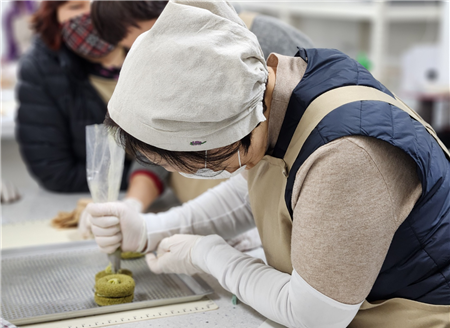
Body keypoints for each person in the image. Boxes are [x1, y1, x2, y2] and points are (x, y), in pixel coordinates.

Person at [86, 1, 450, 327]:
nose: (213, 172)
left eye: (207, 162)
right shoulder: (269, 97)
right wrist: (152, 229)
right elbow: (266, 188)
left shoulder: (347, 154)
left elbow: (314, 317)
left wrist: (210, 255)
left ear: (223, 131)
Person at [80, 0, 313, 227]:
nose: (147, 53)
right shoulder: (168, 62)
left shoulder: (264, 48)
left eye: (148, 36)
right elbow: (158, 139)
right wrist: (135, 206)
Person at [16, 1, 161, 215]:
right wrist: (143, 180)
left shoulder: (152, 51)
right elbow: (55, 171)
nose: (91, 14)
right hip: (102, 197)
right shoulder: (40, 69)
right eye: (76, 7)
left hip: (168, 192)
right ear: (53, 17)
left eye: (100, 3)